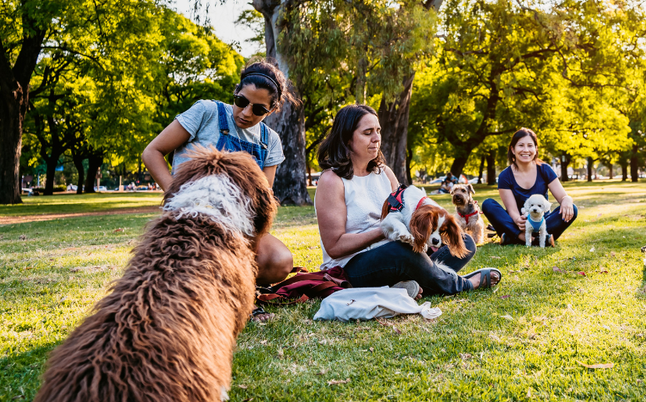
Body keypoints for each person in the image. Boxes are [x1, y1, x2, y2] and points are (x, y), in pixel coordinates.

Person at [313, 104, 500, 296]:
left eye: (378, 131)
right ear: (346, 139)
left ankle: (405, 287)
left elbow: (406, 211)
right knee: (402, 252)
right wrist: (385, 230)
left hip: (397, 252)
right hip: (353, 267)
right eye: (368, 132)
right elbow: (335, 246)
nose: (376, 138)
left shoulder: (384, 173)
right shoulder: (332, 181)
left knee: (464, 242)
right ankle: (462, 284)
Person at [142, 60, 295, 286]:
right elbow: (152, 152)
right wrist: (176, 195)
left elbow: (262, 198)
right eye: (241, 101)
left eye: (259, 109)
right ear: (235, 91)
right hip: (191, 216)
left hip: (237, 224)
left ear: (271, 110)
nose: (246, 112)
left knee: (279, 261)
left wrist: (243, 239)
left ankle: (235, 289)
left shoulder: (270, 140)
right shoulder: (206, 112)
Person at [481, 128, 578, 246]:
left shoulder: (545, 169)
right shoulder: (505, 176)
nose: (526, 150)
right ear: (513, 149)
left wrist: (567, 200)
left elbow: (562, 197)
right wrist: (518, 220)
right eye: (521, 145)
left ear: (536, 149)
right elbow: (512, 210)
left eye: (530, 146)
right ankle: (525, 237)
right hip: (518, 224)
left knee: (572, 208)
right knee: (488, 204)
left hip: (542, 222)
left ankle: (514, 237)